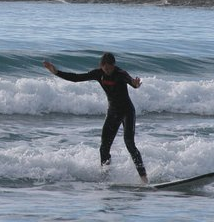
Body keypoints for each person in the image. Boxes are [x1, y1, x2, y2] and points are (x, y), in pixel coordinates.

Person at [43, 52, 148, 184]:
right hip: (112, 112)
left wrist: (136, 84)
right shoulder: (98, 73)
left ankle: (144, 180)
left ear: (114, 66)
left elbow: (132, 82)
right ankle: (106, 177)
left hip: (127, 112)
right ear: (101, 66)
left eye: (110, 68)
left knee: (130, 144)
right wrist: (56, 72)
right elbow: (76, 78)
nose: (108, 71)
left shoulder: (121, 73)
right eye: (105, 68)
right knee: (104, 147)